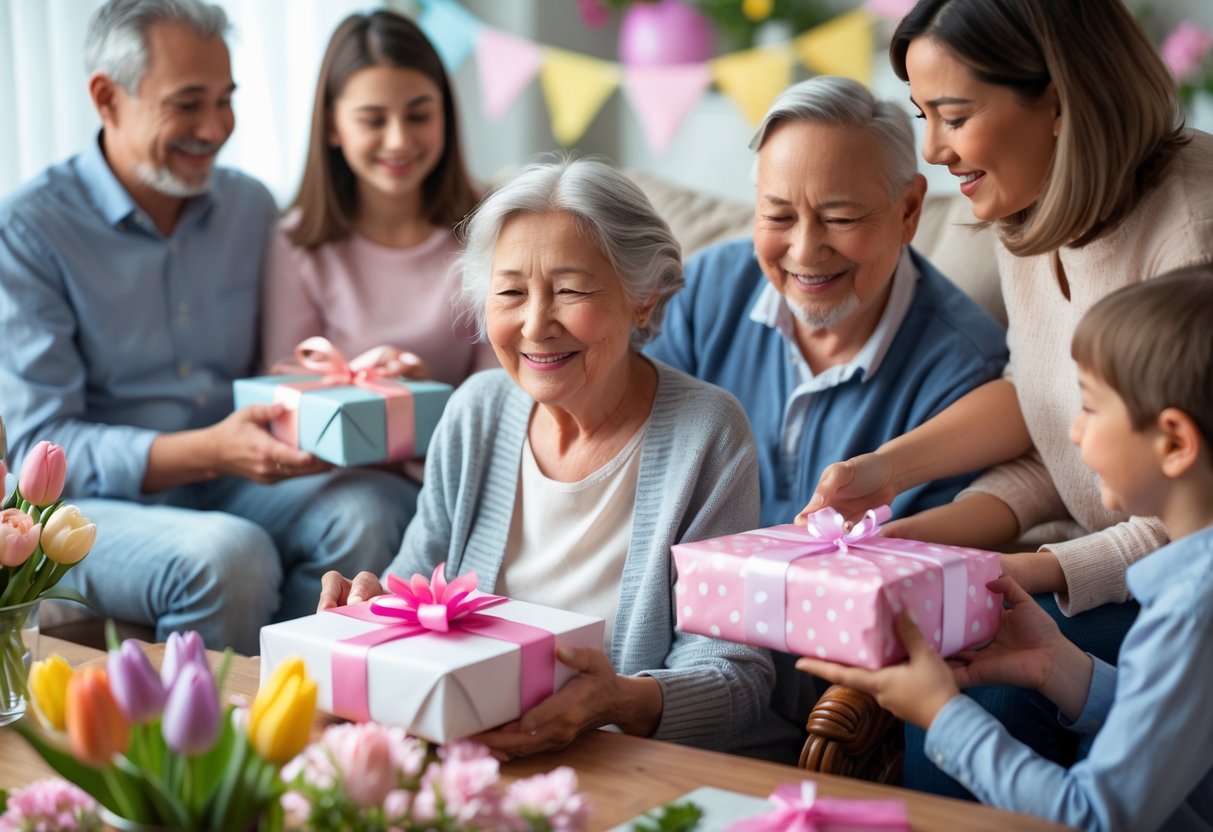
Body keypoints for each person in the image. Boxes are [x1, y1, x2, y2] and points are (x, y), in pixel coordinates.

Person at [802, 0, 1213, 797]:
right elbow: (1050, 422)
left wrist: (1022, 572)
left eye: (952, 115)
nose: (931, 150)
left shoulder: (1191, 228)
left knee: (982, 691)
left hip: (1168, 565)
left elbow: (1193, 518)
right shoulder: (1033, 197)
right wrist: (893, 492)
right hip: (1108, 550)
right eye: (921, 115)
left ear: (1057, 98)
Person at [319, 157, 800, 760]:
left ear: (642, 299)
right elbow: (417, 587)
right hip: (479, 757)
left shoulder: (707, 431)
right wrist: (371, 608)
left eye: (571, 290)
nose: (536, 324)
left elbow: (736, 678)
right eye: (511, 292)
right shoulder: (476, 411)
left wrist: (616, 701)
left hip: (624, 761)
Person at [0, 0, 417, 655]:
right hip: (86, 512)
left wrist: (357, 381)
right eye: (188, 103)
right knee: (228, 553)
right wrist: (211, 450)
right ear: (108, 98)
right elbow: (41, 450)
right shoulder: (28, 230)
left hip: (233, 482)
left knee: (371, 510)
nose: (217, 126)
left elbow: (283, 363)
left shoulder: (250, 206)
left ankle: (309, 724)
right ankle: (199, 751)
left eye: (227, 99)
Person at [644, 74, 1007, 756]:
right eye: (778, 216)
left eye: (839, 218)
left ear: (907, 211)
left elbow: (889, 599)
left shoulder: (959, 366)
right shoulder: (707, 292)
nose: (805, 251)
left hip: (796, 696)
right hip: (650, 636)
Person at [798, 269, 1213, 831]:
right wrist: (1060, 668)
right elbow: (1176, 734)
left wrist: (941, 716)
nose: (1071, 432)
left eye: (1089, 407)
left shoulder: (1189, 612)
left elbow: (1092, 815)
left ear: (1173, 442)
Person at [261, 10, 495, 384]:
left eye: (419, 116)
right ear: (331, 126)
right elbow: (287, 391)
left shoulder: (492, 224)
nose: (399, 140)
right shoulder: (298, 244)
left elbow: (505, 390)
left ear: (445, 117)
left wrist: (427, 398)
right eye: (373, 120)